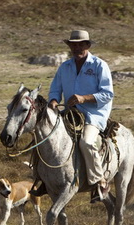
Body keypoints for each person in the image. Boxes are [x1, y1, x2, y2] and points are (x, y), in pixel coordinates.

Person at [42, 29, 114, 203]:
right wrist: (53, 100)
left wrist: (84, 98)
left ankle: (99, 182)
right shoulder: (65, 67)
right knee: (45, 137)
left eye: (80, 44)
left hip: (93, 115)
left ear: (87, 45)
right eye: (73, 45)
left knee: (86, 141)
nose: (76, 48)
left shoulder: (99, 65)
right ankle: (42, 179)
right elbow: (55, 89)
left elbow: (107, 94)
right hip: (69, 112)